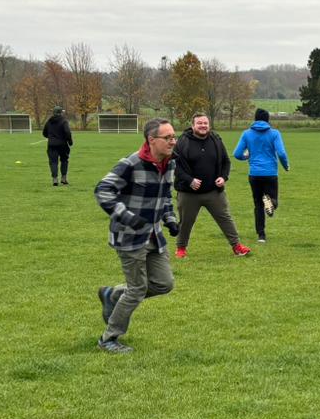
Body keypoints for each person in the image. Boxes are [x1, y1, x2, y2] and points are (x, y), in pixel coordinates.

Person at [94, 118, 181, 353]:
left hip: (154, 236)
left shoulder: (169, 163)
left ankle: (113, 294)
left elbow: (164, 196)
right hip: (129, 237)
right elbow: (103, 190)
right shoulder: (131, 164)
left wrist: (170, 219)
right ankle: (108, 339)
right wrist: (127, 217)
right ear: (151, 140)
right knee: (137, 290)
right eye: (168, 138)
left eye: (174, 136)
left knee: (164, 284)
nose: (173, 141)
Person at [172, 112, 249, 258]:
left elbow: (226, 161)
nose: (203, 126)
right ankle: (181, 248)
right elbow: (175, 166)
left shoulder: (216, 139)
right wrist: (189, 180)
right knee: (186, 222)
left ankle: (237, 246)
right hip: (189, 193)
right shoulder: (182, 142)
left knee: (225, 218)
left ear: (209, 125)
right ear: (193, 125)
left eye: (205, 123)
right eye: (199, 123)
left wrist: (223, 177)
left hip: (213, 191)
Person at [233, 108, 290, 243]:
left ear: (255, 118)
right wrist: (286, 165)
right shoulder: (274, 133)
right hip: (270, 173)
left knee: (258, 204)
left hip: (254, 174)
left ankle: (261, 236)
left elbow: (237, 154)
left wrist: (245, 156)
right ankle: (270, 203)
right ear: (267, 119)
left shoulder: (247, 134)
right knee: (273, 201)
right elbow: (281, 153)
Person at [43, 107, 73, 186]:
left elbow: (44, 133)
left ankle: (55, 179)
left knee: (53, 162)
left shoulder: (49, 121)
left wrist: (50, 137)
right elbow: (67, 132)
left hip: (51, 145)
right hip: (62, 144)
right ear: (61, 112)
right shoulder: (64, 121)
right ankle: (63, 178)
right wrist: (70, 141)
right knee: (64, 160)